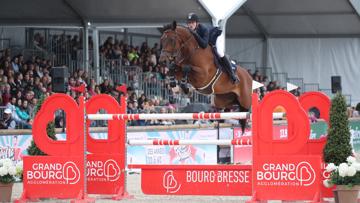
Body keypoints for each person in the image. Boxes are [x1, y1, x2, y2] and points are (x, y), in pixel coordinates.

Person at [186, 13, 239, 84]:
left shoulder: (203, 29)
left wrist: (195, 34)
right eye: (189, 23)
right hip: (208, 41)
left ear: (197, 23)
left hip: (216, 37)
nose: (190, 25)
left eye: (192, 22)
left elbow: (204, 45)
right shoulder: (188, 31)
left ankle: (232, 75)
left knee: (220, 53)